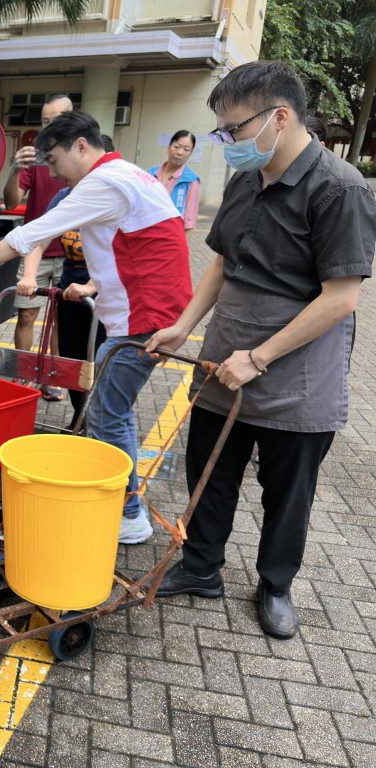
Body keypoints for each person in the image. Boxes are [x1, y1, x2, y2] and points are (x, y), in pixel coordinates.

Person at [145, 61, 376, 640]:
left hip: (297, 375)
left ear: (280, 116)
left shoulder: (339, 188)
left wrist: (260, 356)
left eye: (233, 130)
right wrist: (183, 325)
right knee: (211, 473)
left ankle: (275, 585)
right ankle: (201, 567)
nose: (227, 143)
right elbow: (222, 263)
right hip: (224, 358)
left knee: (286, 492)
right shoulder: (248, 180)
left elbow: (341, 299)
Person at [0, 111, 192, 544]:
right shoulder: (128, 174)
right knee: (111, 410)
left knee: (107, 414)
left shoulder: (102, 182)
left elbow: (27, 236)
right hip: (151, 311)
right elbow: (134, 243)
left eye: (53, 160)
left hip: (143, 320)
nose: (50, 171)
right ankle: (124, 507)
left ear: (81, 147)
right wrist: (92, 284)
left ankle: (127, 514)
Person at [18, 136, 115, 432]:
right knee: (73, 362)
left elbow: (117, 255)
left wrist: (91, 286)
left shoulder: (111, 199)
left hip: (105, 300)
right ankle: (79, 414)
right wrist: (30, 276)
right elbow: (38, 238)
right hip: (71, 293)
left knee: (97, 362)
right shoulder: (64, 198)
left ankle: (98, 421)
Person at [3, 94, 73, 401]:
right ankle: (24, 373)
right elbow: (10, 202)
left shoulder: (81, 157)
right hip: (36, 252)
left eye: (57, 119)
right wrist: (14, 169)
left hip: (73, 253)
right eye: (46, 120)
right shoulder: (36, 157)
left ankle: (52, 376)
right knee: (27, 316)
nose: (51, 126)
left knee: (61, 319)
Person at [147, 130, 201, 232]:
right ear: (168, 147)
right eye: (176, 147)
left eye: (186, 149)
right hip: (145, 235)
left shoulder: (191, 181)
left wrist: (180, 247)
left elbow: (189, 223)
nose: (180, 152)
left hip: (170, 239)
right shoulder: (150, 174)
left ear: (190, 154)